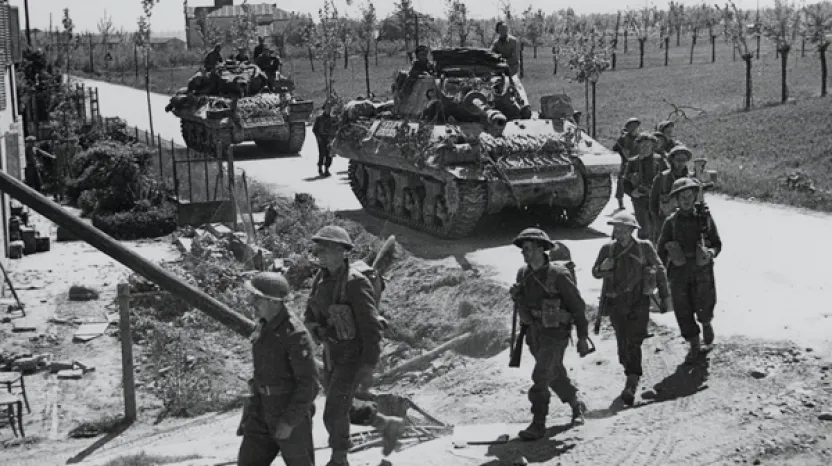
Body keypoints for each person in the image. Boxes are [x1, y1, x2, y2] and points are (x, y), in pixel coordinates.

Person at [303, 226, 401, 466]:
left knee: (333, 411)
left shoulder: (355, 283)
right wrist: (315, 328)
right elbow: (309, 311)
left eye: (326, 249)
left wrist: (368, 366)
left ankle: (339, 459)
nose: (320, 254)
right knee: (344, 406)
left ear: (342, 251)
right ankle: (386, 425)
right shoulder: (321, 278)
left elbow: (371, 328)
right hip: (331, 354)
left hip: (352, 356)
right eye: (319, 249)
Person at [509, 227, 591, 441]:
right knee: (554, 373)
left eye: (528, 248)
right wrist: (517, 296)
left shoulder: (559, 275)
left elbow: (578, 307)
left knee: (541, 375)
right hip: (534, 333)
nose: (524, 253)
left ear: (540, 249)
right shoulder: (523, 273)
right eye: (523, 249)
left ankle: (538, 423)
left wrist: (582, 337)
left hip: (556, 333)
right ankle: (576, 403)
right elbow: (524, 304)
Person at [236, 272, 318, 466]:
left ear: (274, 302)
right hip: (261, 412)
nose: (252, 303)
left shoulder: (295, 334)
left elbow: (309, 385)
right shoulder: (263, 326)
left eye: (257, 298)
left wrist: (289, 421)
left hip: (288, 411)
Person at [592, 211, 671, 406]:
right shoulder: (607, 249)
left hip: (639, 301)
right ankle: (630, 371)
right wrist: (603, 267)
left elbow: (660, 269)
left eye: (624, 230)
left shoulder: (644, 247)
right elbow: (595, 272)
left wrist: (665, 296)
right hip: (616, 303)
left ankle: (631, 383)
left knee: (633, 342)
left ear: (632, 230)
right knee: (622, 345)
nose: (619, 233)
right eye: (617, 229)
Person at [656, 178, 723, 364]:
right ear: (676, 200)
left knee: (705, 303)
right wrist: (659, 276)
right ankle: (694, 344)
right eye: (682, 197)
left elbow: (717, 243)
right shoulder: (671, 222)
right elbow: (660, 251)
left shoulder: (704, 219)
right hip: (679, 273)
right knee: (682, 309)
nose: (686, 200)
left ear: (695, 197)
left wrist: (710, 253)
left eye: (689, 196)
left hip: (702, 270)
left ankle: (706, 323)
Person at [621, 133, 668, 242]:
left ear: (653, 146)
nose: (645, 148)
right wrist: (632, 192)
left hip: (656, 199)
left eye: (648, 145)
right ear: (638, 146)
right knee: (643, 227)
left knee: (657, 226)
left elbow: (668, 177)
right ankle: (643, 248)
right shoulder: (633, 162)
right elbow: (624, 182)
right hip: (640, 200)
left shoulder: (659, 160)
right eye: (642, 145)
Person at [649, 146, 693, 243]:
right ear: (672, 160)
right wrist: (657, 222)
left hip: (686, 222)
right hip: (665, 221)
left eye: (684, 160)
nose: (681, 163)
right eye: (678, 160)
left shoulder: (691, 179)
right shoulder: (662, 177)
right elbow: (653, 202)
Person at [491, 21, 531, 116]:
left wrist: (502, 61)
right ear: (498, 31)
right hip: (499, 69)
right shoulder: (496, 43)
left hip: (512, 68)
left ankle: (525, 105)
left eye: (505, 28)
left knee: (515, 83)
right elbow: (491, 54)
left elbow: (515, 57)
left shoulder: (513, 41)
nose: (504, 31)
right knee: (494, 84)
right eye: (501, 29)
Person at [612, 118, 641, 211]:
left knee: (637, 182)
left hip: (638, 162)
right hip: (626, 163)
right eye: (631, 126)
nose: (634, 128)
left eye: (636, 126)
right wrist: (622, 151)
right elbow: (614, 149)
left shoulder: (640, 138)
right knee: (621, 182)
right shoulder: (623, 138)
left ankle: (636, 203)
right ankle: (620, 202)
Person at [312, 105, 336, 177]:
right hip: (321, 138)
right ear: (324, 109)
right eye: (327, 108)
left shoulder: (333, 118)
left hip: (330, 138)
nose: (328, 110)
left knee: (330, 154)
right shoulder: (319, 118)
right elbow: (315, 129)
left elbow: (335, 128)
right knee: (322, 154)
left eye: (329, 108)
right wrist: (318, 137)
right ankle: (320, 168)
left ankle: (327, 169)